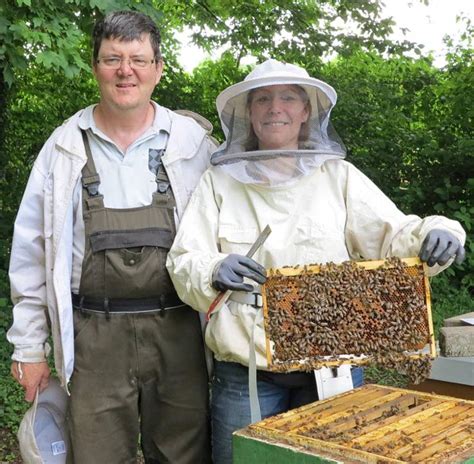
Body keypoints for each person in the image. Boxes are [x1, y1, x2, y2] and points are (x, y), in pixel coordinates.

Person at [166, 59, 466, 464]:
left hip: (334, 366)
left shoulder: (336, 175)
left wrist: (439, 230)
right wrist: (213, 269)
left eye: (289, 97)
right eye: (263, 99)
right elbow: (186, 257)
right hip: (247, 367)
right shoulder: (218, 182)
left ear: (306, 111)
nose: (276, 108)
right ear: (249, 113)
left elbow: (395, 234)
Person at [7, 10, 215, 463]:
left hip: (180, 333)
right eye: (112, 59)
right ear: (95, 67)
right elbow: (31, 254)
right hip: (93, 338)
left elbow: (225, 237)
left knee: (185, 454)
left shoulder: (193, 145)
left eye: (138, 59)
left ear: (158, 69)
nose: (126, 71)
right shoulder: (63, 147)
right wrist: (29, 346)